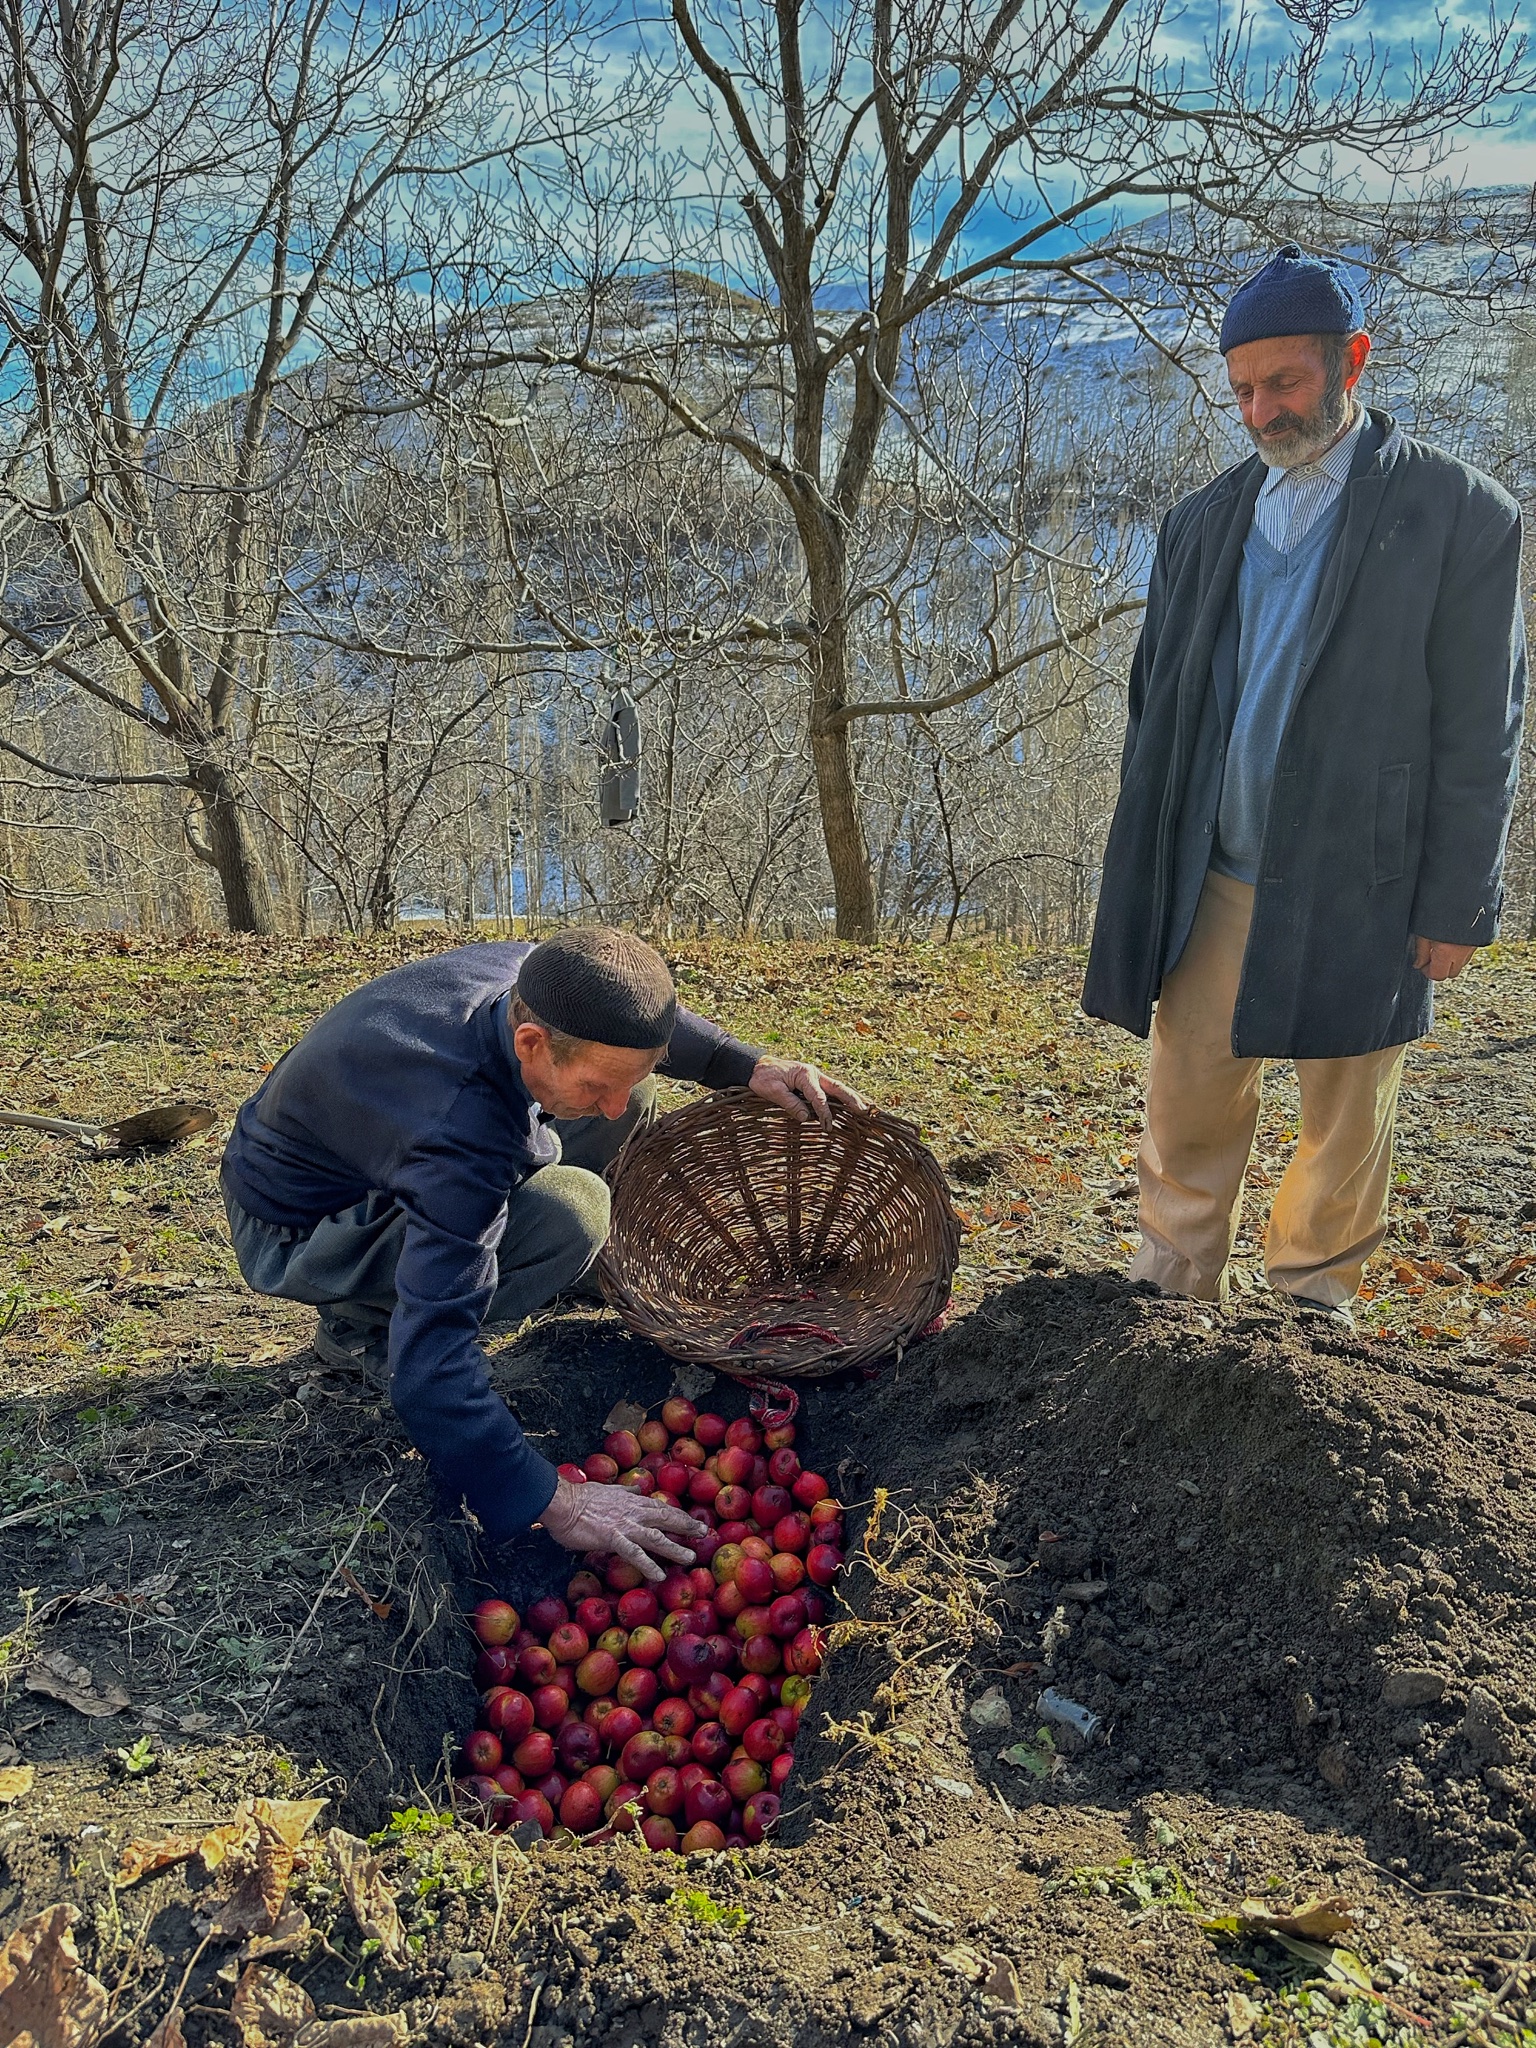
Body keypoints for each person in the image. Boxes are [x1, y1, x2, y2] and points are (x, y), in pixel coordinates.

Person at [1083, 243, 1527, 1321]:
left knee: (1346, 1109)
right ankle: (1174, 1291)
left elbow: (1485, 726)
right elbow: (1158, 710)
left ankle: (1311, 1307)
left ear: (1352, 361)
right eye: (1241, 388)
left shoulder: (1460, 513)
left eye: (1283, 382)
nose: (1261, 410)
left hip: (1363, 875)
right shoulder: (1201, 521)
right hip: (1212, 870)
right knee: (1187, 1095)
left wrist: (1459, 899)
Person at [221, 927, 864, 1578]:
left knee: (629, 1090)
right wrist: (556, 1500)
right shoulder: (460, 1133)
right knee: (573, 1213)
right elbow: (432, 1372)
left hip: (375, 1137)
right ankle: (363, 1326)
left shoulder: (541, 976)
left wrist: (749, 1065)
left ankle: (554, 1254)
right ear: (531, 1044)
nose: (608, 1108)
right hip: (299, 1225)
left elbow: (644, 1025)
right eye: (591, 1084)